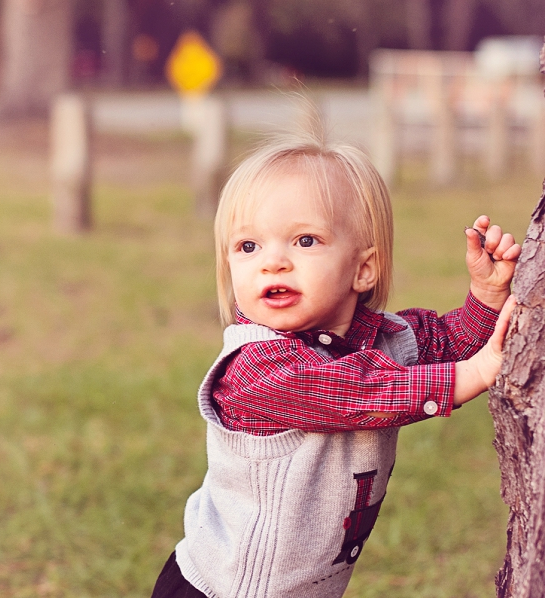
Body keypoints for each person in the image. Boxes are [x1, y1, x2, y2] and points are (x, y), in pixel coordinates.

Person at [150, 128, 520, 598]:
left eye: (305, 241)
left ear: (363, 268)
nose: (273, 262)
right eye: (249, 247)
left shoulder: (383, 340)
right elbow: (356, 391)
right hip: (221, 589)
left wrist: (486, 299)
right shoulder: (256, 367)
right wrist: (478, 372)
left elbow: (448, 342)